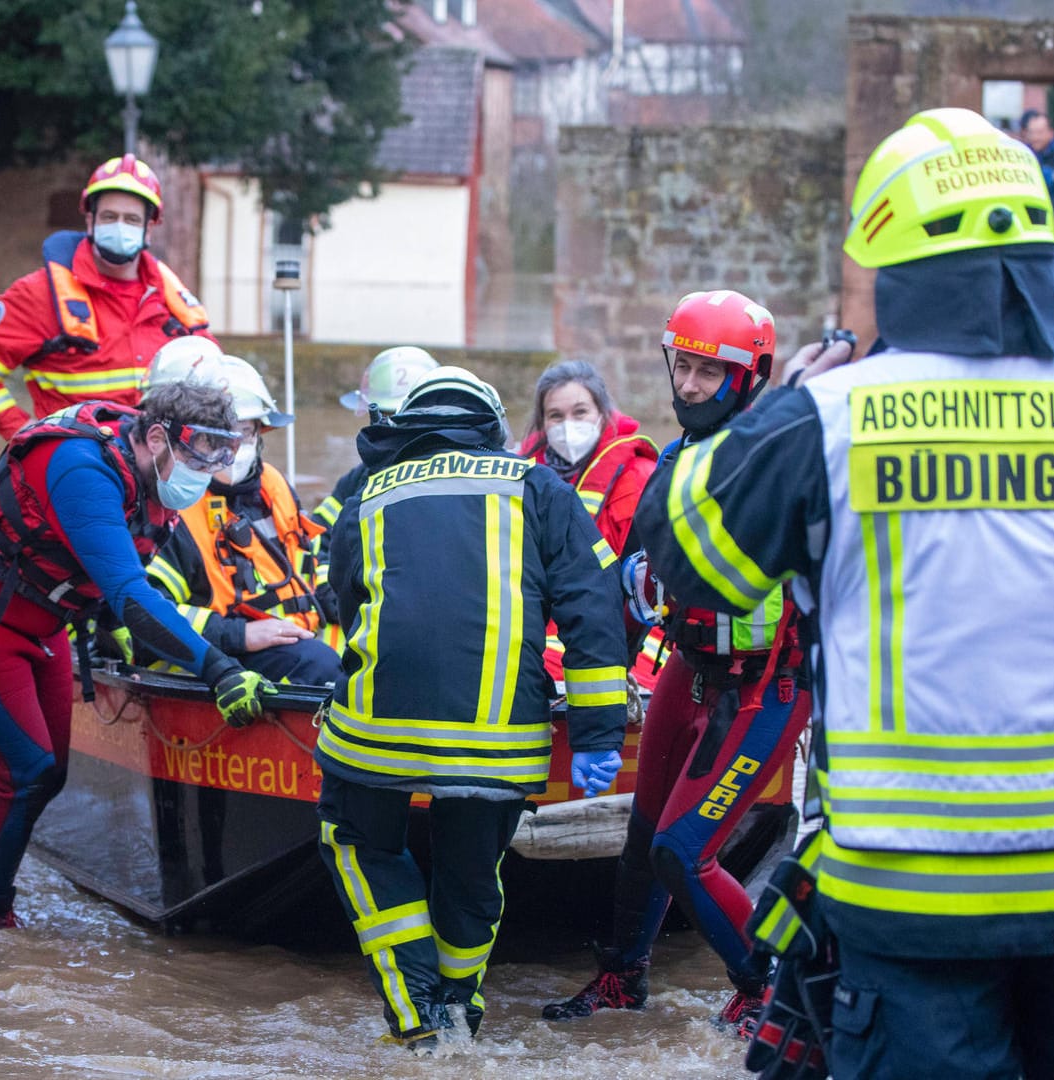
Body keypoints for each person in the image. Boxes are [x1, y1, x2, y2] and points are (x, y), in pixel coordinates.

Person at [655, 108, 1054, 1078]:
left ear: (889, 261)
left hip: (906, 911)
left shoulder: (824, 424)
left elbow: (689, 562)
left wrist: (779, 402)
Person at [316, 366, 631, 1053]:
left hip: (377, 734)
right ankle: (460, 1012)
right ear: (494, 426)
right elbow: (593, 609)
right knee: (471, 870)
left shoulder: (366, 493)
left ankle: (416, 1014)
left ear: (405, 428)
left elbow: (344, 604)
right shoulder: (540, 487)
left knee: (357, 840)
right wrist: (599, 731)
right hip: (501, 740)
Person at [0, 381, 277, 927]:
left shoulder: (154, 468)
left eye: (222, 453)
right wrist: (218, 668)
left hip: (44, 621)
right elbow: (131, 596)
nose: (210, 469)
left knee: (50, 771)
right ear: (156, 437)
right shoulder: (82, 470)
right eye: (200, 454)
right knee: (25, 772)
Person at [542, 291, 809, 1031]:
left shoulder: (785, 460)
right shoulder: (677, 455)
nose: (688, 385)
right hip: (692, 671)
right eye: (682, 366)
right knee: (643, 843)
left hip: (766, 684)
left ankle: (770, 991)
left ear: (748, 377)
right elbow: (638, 571)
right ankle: (624, 979)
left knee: (682, 849)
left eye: (707, 372)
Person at [0, 154, 215, 436]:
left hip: (157, 466)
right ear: (90, 219)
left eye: (131, 219)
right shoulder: (42, 294)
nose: (119, 226)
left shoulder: (171, 300)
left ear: (149, 228)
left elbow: (216, 381)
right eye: (110, 217)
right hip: (75, 463)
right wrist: (21, 429)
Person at [145, 355, 345, 685]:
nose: (236, 448)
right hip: (207, 655)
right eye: (223, 435)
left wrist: (339, 601)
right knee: (320, 666)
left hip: (294, 633)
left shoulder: (272, 485)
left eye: (247, 433)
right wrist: (240, 635)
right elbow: (148, 611)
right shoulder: (175, 502)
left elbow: (312, 555)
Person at [516, 360, 661, 686]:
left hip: (625, 637)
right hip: (542, 635)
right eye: (556, 416)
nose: (568, 425)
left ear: (602, 412)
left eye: (580, 412)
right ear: (542, 422)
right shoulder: (520, 479)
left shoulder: (639, 478)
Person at [312, 345, 440, 533]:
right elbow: (320, 534)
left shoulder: (451, 479)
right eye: (386, 417)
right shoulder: (359, 479)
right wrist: (326, 563)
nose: (395, 428)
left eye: (407, 418)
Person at [1018, 108, 1054, 192]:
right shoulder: (1022, 153)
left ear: (1051, 133)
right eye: (1031, 133)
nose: (1035, 137)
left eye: (1039, 132)